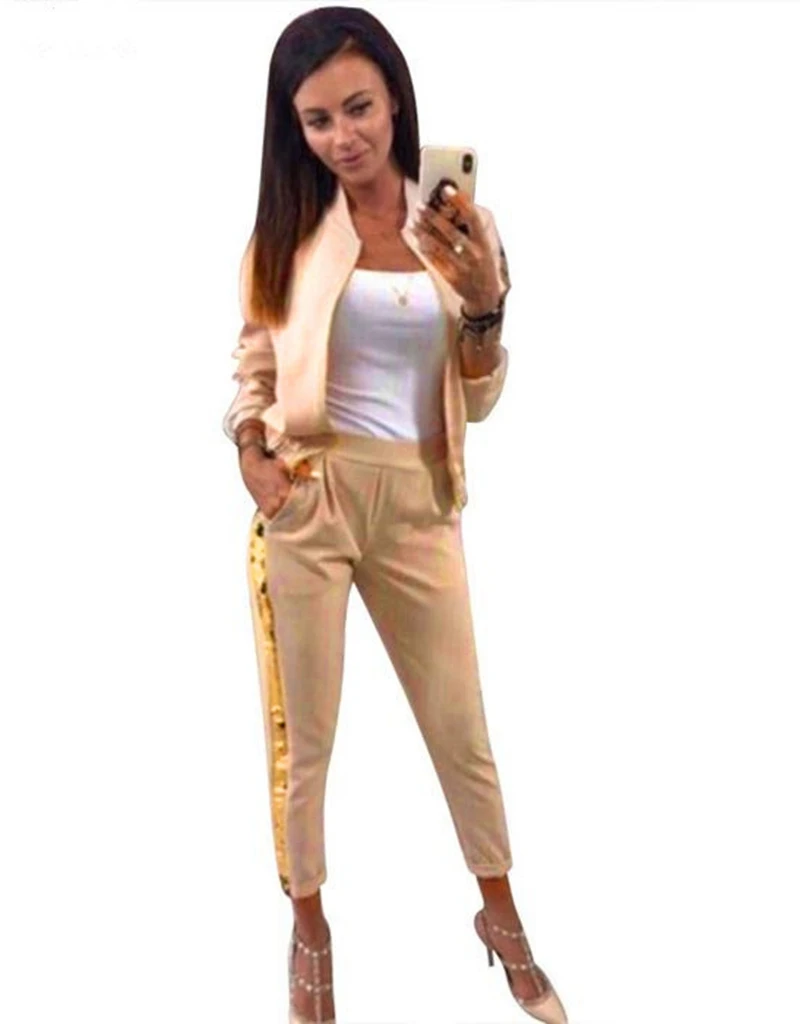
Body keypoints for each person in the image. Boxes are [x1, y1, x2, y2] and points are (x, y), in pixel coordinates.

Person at [222, 7, 566, 1023]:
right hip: (313, 499)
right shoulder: (289, 233)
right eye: (318, 120)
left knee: (461, 730)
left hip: (419, 502)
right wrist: (254, 459)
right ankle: (310, 932)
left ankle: (502, 919)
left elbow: (479, 396)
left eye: (360, 107)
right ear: (296, 129)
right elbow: (253, 363)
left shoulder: (454, 228)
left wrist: (485, 302)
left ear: (397, 102)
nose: (345, 136)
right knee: (306, 741)